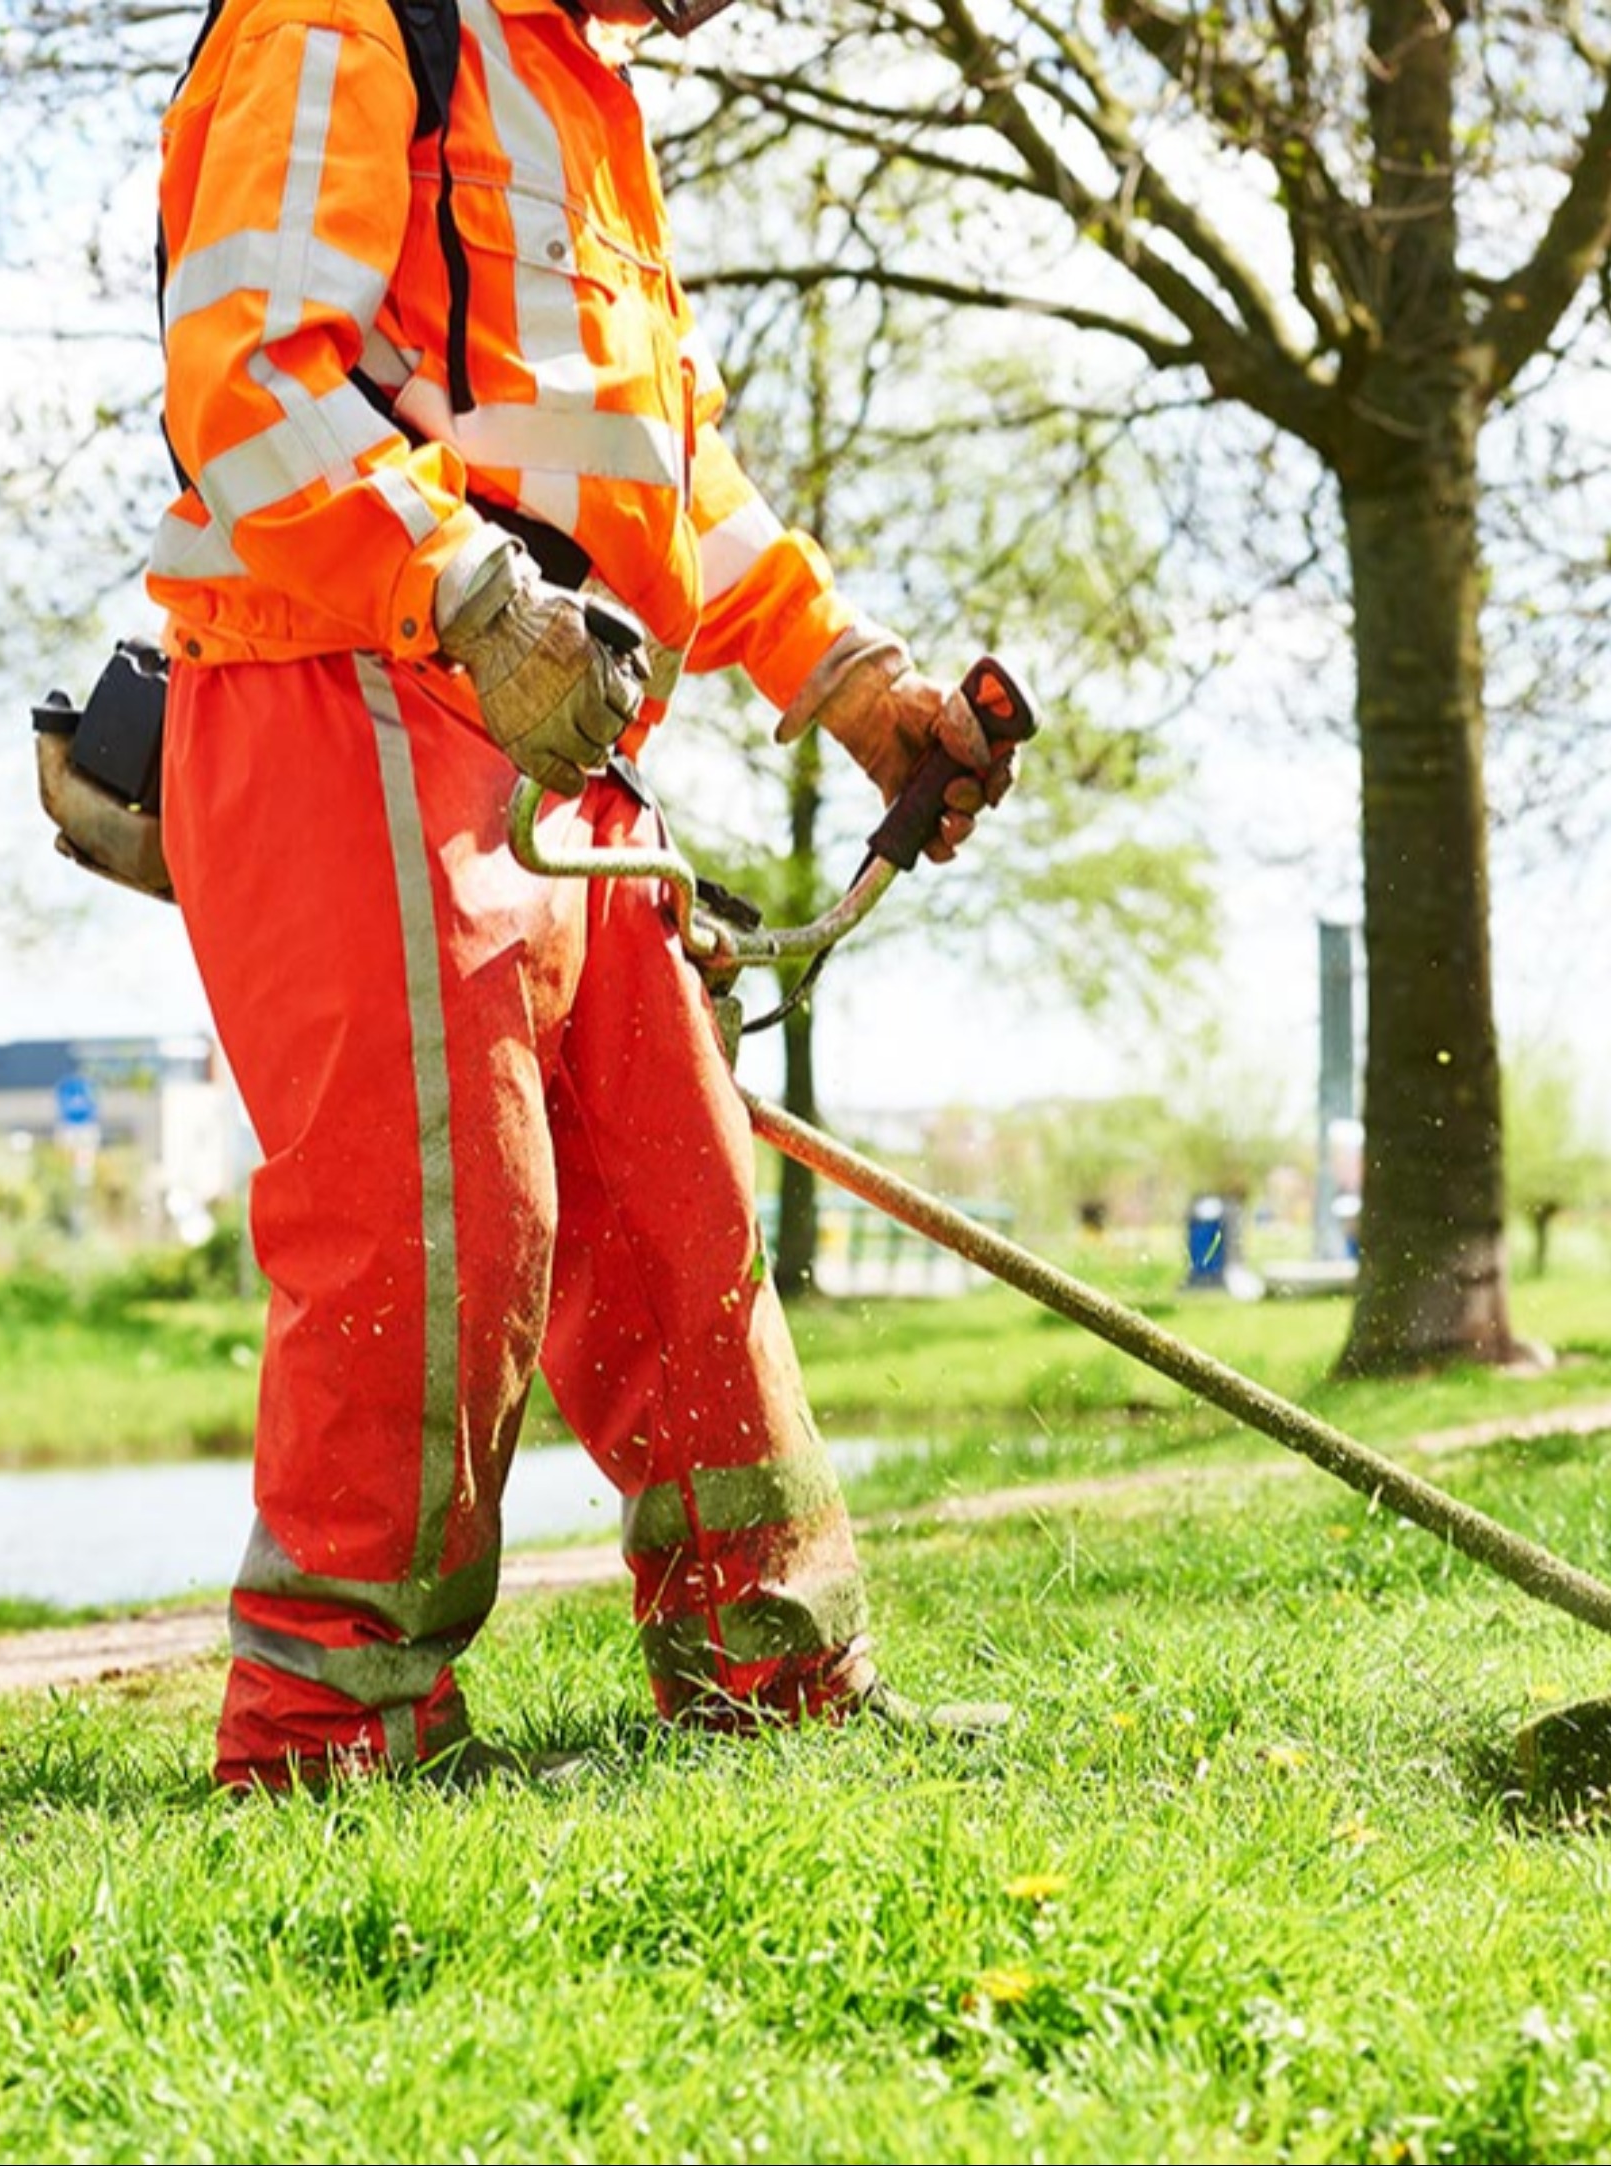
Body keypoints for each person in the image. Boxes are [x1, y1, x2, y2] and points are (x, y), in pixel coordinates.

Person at [145, 0, 1020, 1790]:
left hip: (550, 712)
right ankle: (332, 1727)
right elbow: (244, 365)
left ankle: (766, 1673)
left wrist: (851, 679)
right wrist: (463, 588)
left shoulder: (577, 87)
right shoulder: (347, 16)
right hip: (352, 677)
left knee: (673, 1210)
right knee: (435, 1220)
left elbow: (658, 468)